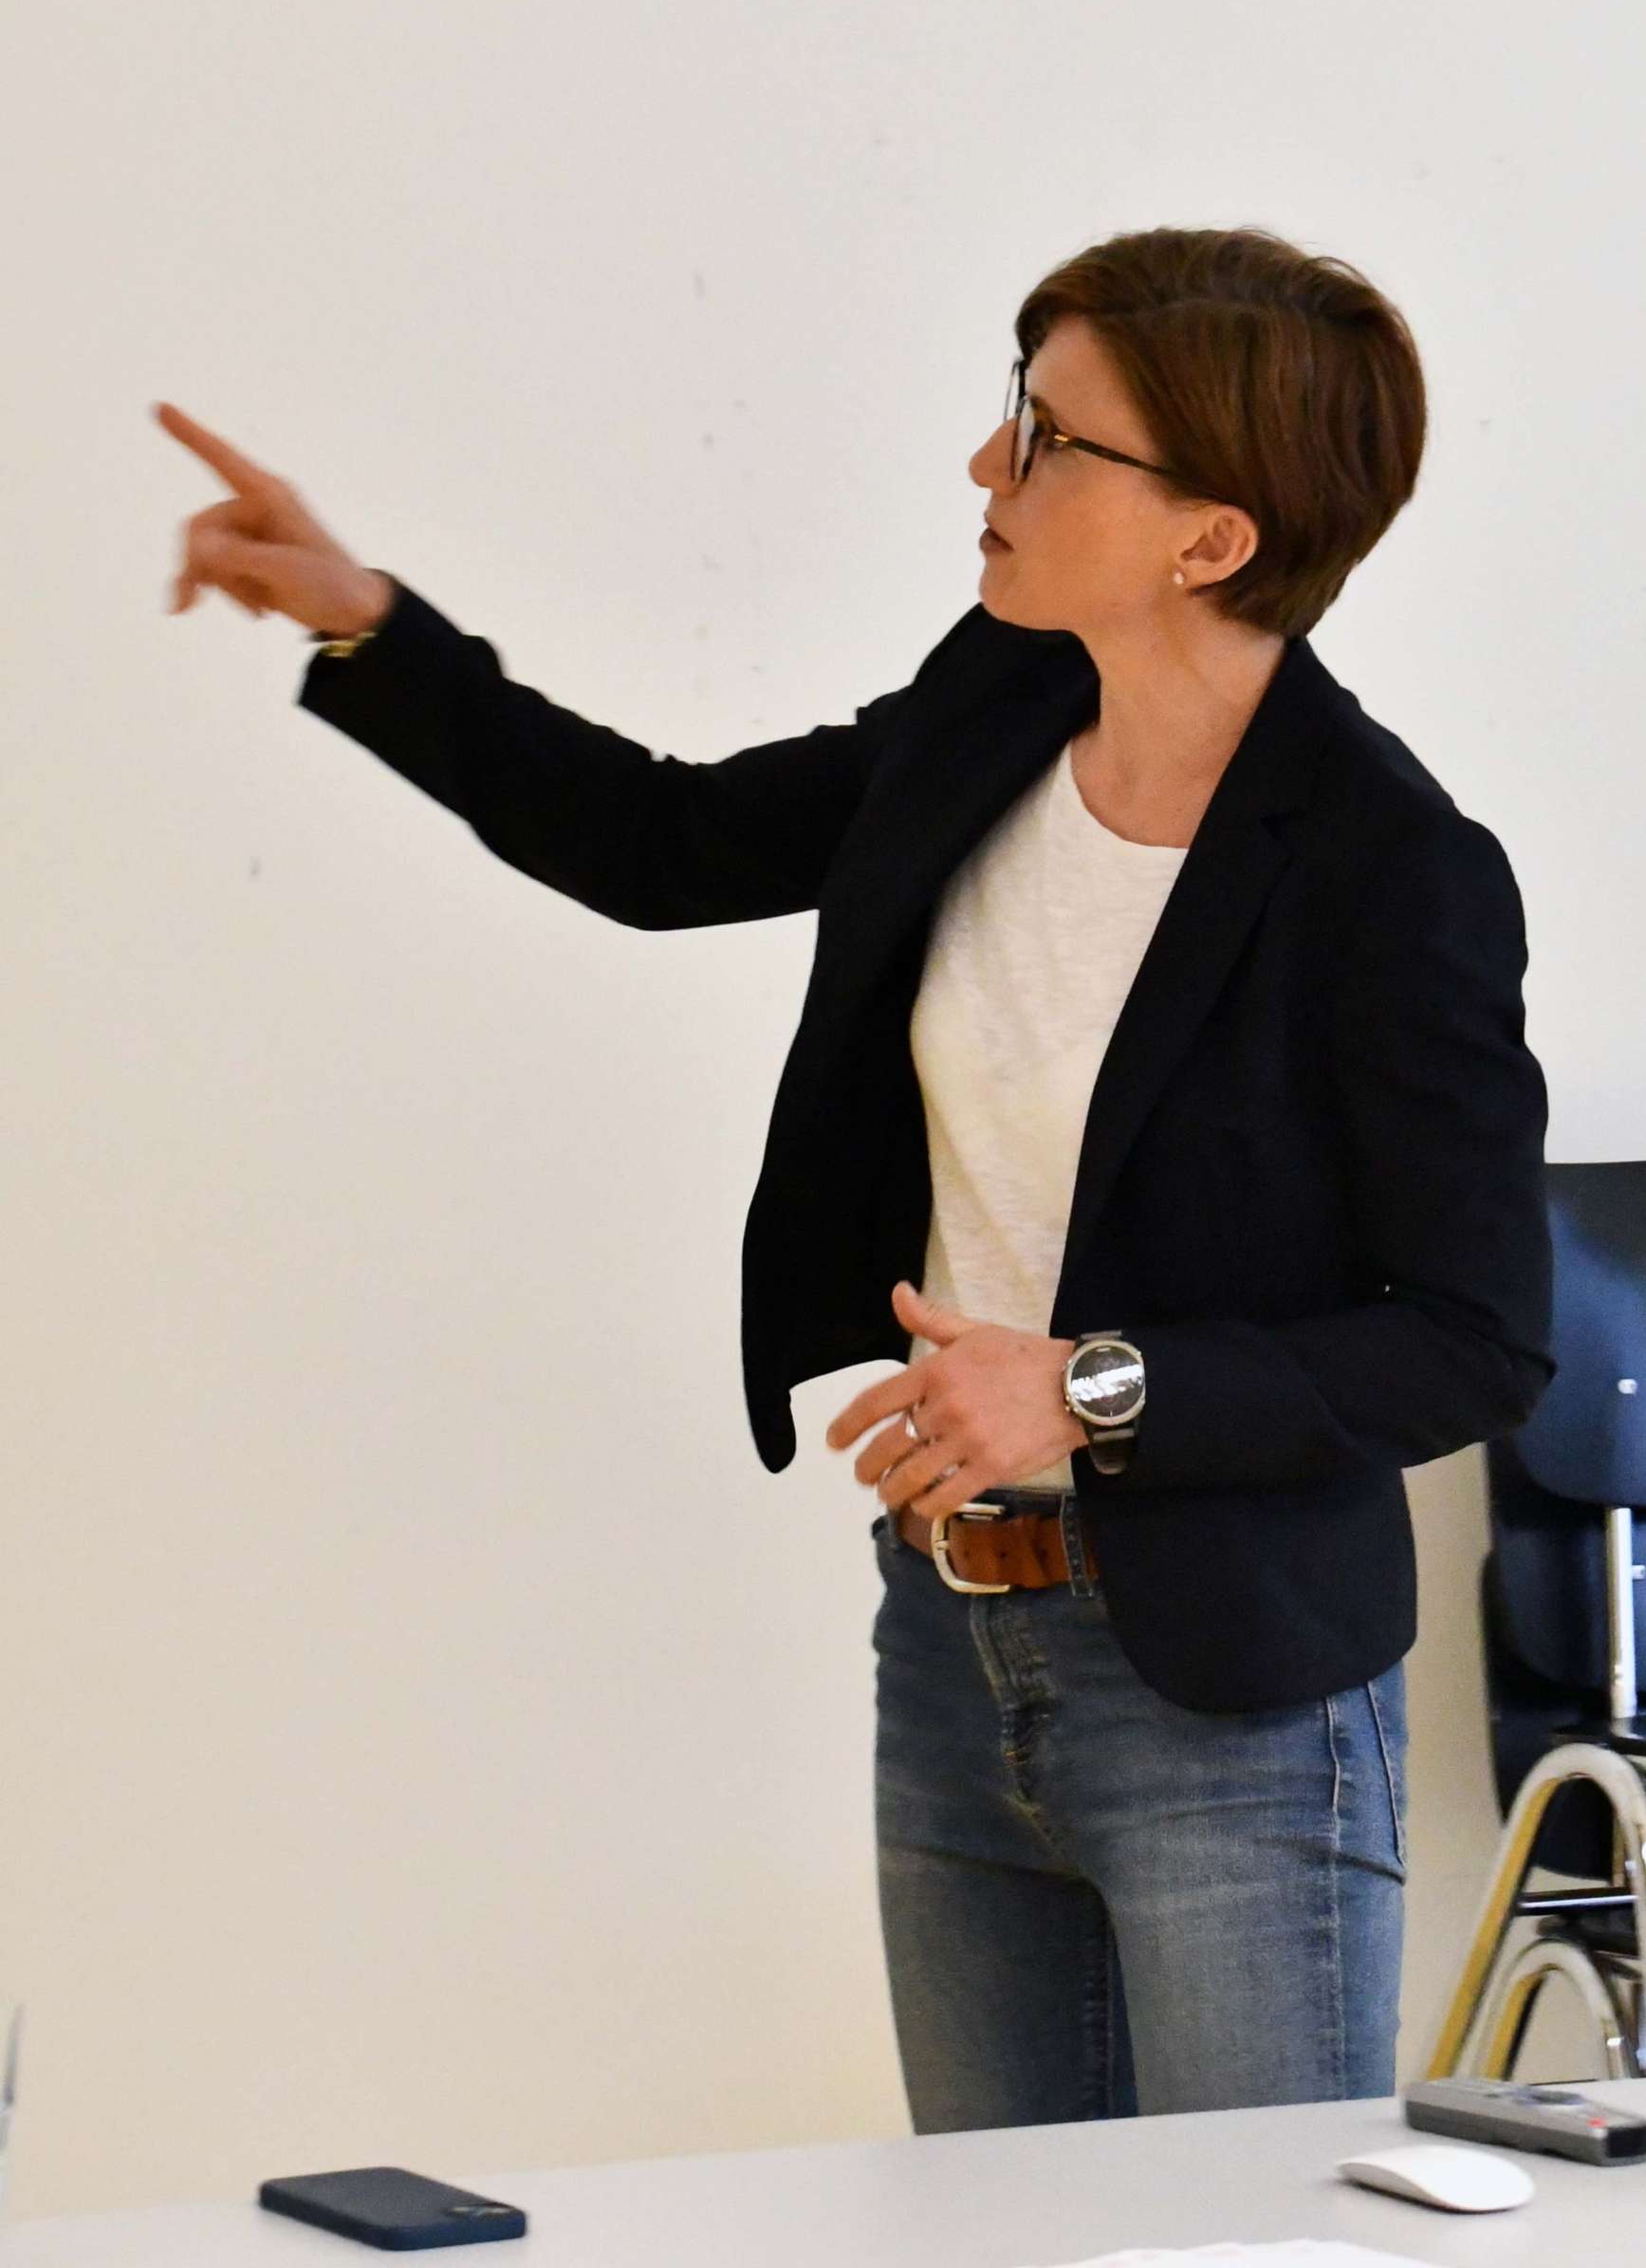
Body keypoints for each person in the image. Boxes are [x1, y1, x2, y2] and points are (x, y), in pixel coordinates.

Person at [154, 222, 1555, 2131]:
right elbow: (664, 841)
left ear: (1210, 538)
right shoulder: (997, 707)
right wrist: (364, 626)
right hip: (955, 1644)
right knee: (991, 2245)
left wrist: (1089, 1389)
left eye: (1049, 438)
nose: (989, 463)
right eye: (1012, 409)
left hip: (1235, 1697)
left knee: (1250, 2249)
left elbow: (1474, 1339)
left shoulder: (1393, 873)